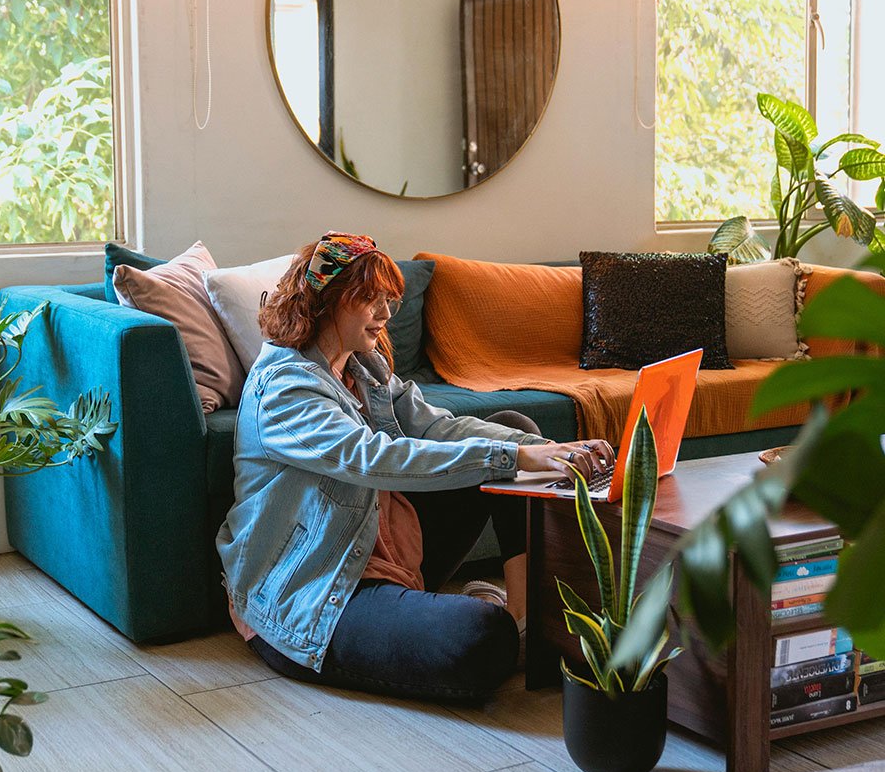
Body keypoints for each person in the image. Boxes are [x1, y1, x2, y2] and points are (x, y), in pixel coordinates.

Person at [217, 232, 613, 702]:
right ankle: (489, 622)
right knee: (481, 637)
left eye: (389, 301)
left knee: (510, 425)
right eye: (371, 300)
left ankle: (524, 623)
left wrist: (546, 447)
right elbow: (371, 456)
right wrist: (515, 456)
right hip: (314, 591)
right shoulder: (284, 389)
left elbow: (437, 428)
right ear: (327, 301)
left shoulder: (362, 368)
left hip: (381, 546)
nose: (385, 316)